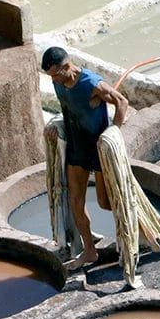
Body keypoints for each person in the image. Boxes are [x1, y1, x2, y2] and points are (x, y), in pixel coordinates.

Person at [42, 46, 129, 271]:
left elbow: (122, 102)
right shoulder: (58, 81)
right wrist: (55, 125)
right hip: (76, 148)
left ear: (66, 67)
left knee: (106, 202)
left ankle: (135, 232)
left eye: (55, 75)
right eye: (50, 77)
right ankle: (89, 251)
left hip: (98, 151)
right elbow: (67, 109)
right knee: (75, 202)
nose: (54, 81)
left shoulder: (91, 83)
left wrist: (113, 133)